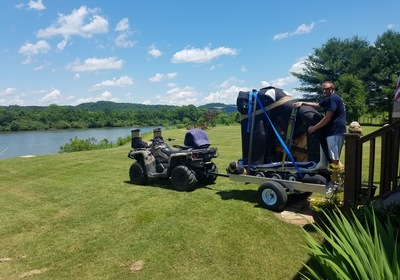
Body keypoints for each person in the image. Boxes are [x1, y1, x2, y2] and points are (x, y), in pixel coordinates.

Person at [293, 81, 346, 196]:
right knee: (333, 158)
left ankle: (332, 184)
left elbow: (327, 118)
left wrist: (314, 128)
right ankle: (340, 178)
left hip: (335, 132)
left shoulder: (333, 99)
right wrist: (302, 102)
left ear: (333, 89)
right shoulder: (330, 99)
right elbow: (317, 105)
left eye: (327, 89)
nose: (325, 91)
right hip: (334, 132)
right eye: (323, 89)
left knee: (334, 159)